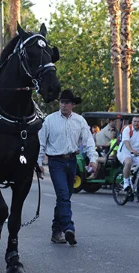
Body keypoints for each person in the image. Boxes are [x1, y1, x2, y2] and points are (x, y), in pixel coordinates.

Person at [38, 89, 98, 246]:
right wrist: (38, 163)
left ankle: (56, 231)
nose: (63, 105)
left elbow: (88, 141)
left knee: (65, 197)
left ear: (73, 105)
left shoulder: (79, 121)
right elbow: (41, 143)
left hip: (72, 160)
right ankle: (68, 227)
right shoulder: (49, 120)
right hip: (55, 161)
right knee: (63, 195)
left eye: (67, 102)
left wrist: (93, 159)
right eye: (61, 102)